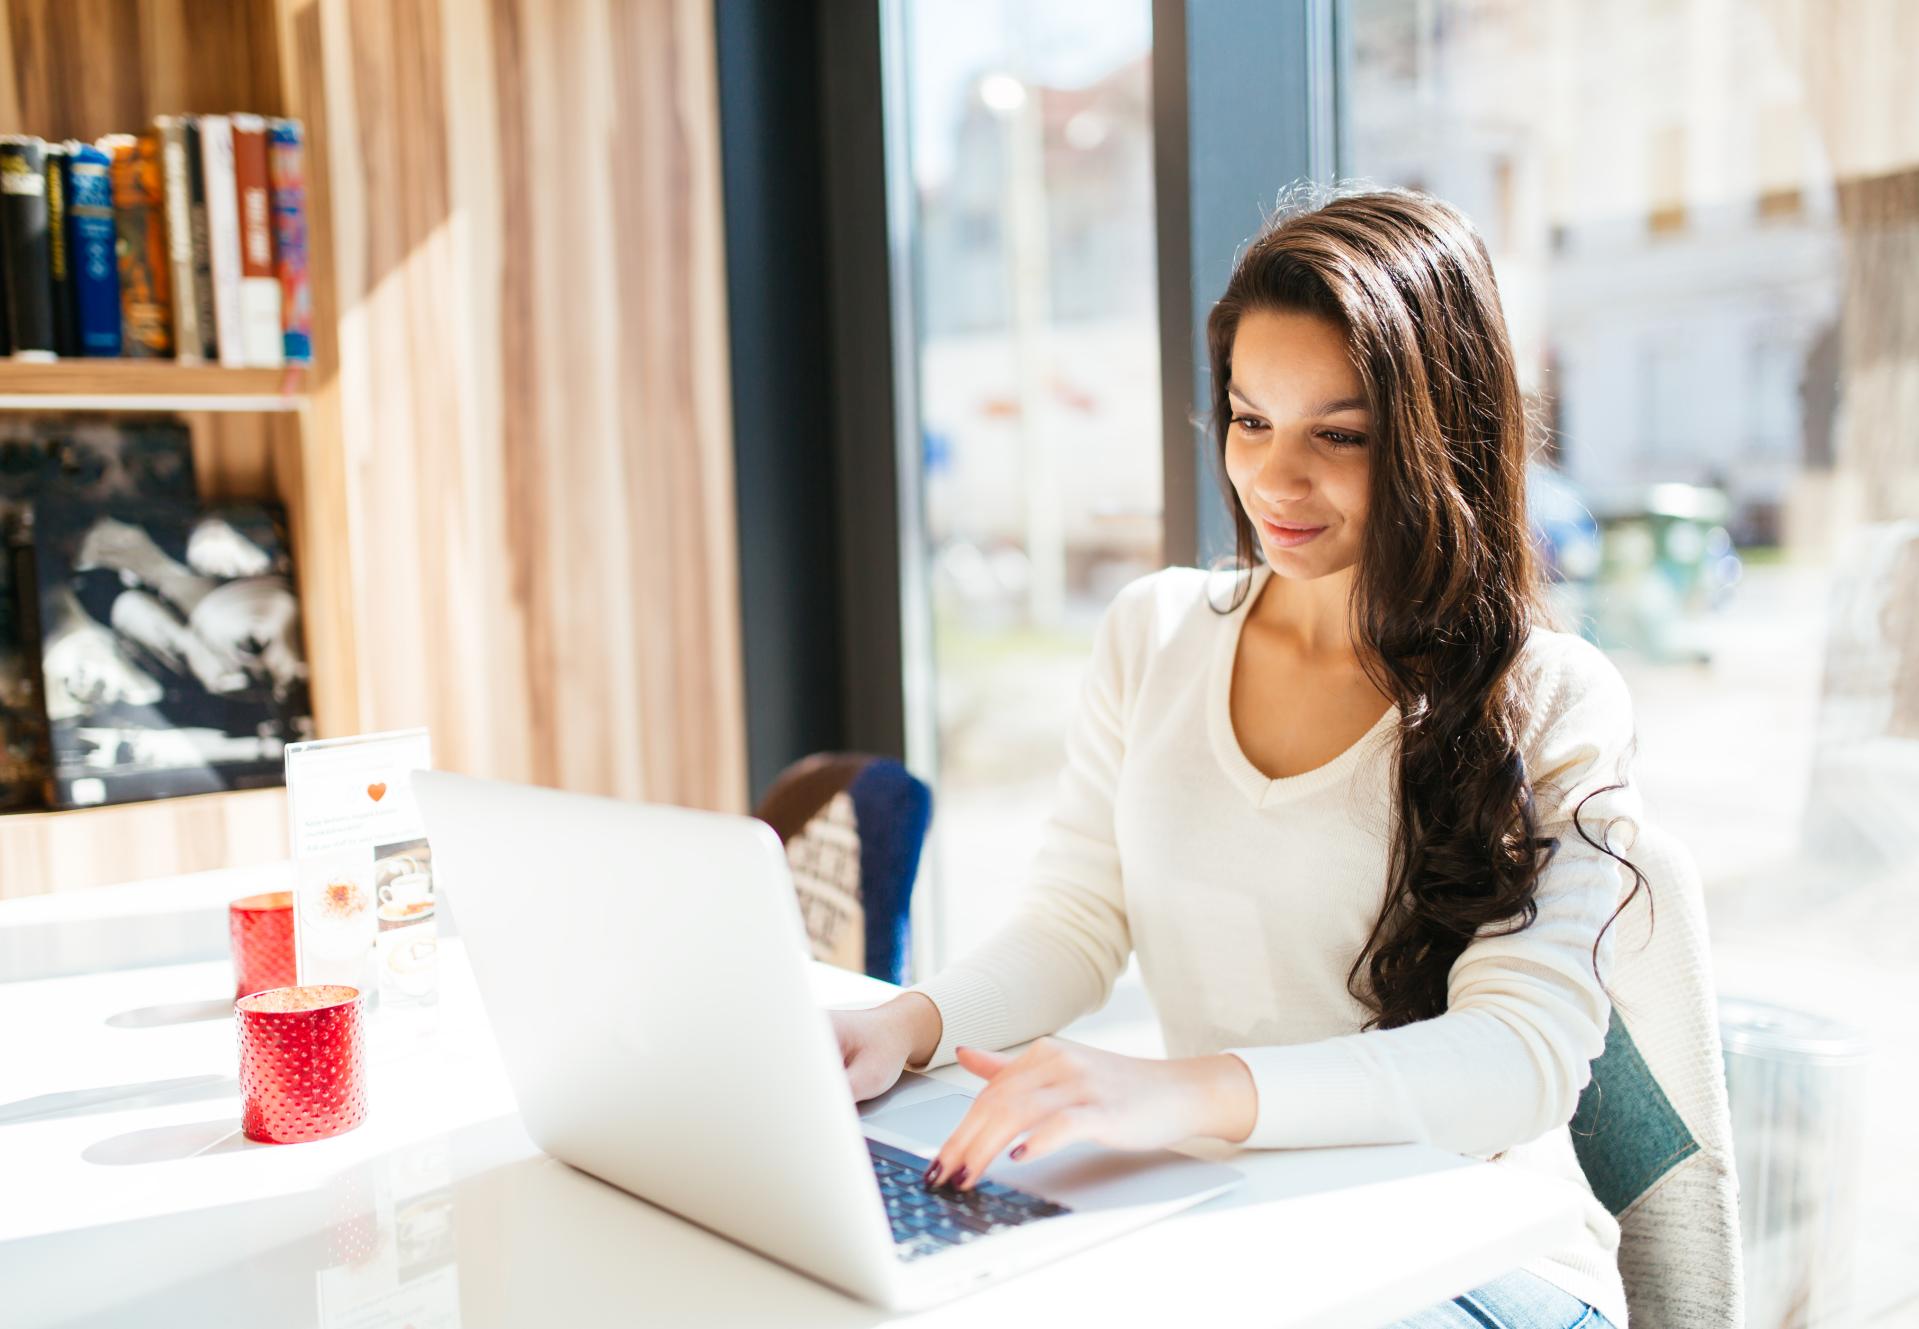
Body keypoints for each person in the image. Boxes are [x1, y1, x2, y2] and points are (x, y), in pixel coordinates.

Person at [831, 186, 1640, 1329]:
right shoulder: (1153, 632)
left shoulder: (1549, 697)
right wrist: (905, 1025)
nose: (1273, 478)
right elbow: (1076, 920)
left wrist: (1176, 1097)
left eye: (1338, 435)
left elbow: (1516, 1061)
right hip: (1239, 1215)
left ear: (1437, 434)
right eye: (1250, 420)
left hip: (1469, 1259)